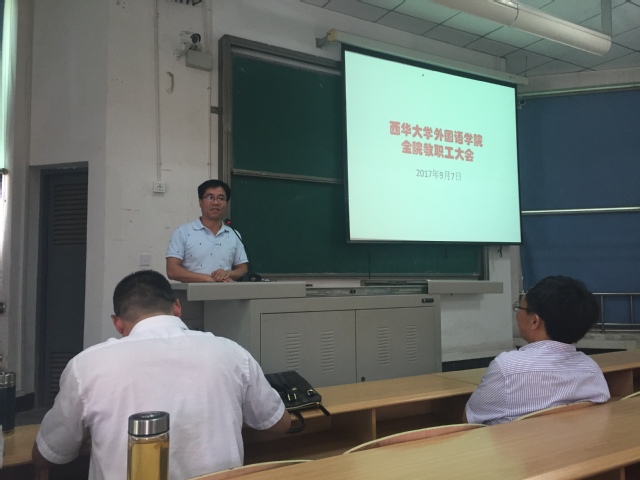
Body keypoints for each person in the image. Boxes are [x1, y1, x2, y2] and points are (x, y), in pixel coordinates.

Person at [32, 270, 290, 480]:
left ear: (118, 323)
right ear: (177, 307)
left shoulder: (86, 365)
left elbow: (49, 454)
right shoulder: (232, 352)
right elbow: (279, 423)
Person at [464, 275, 610, 425]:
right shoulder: (591, 369)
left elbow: (470, 420)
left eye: (519, 308)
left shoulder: (507, 368)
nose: (517, 314)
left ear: (534, 321)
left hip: (515, 441)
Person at [166, 179, 248, 282]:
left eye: (221, 198)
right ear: (200, 202)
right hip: (193, 292)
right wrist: (208, 279)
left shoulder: (234, 234)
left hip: (226, 291)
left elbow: (243, 269)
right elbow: (172, 270)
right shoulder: (182, 232)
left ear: (226, 203)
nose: (216, 202)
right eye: (210, 197)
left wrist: (228, 273)